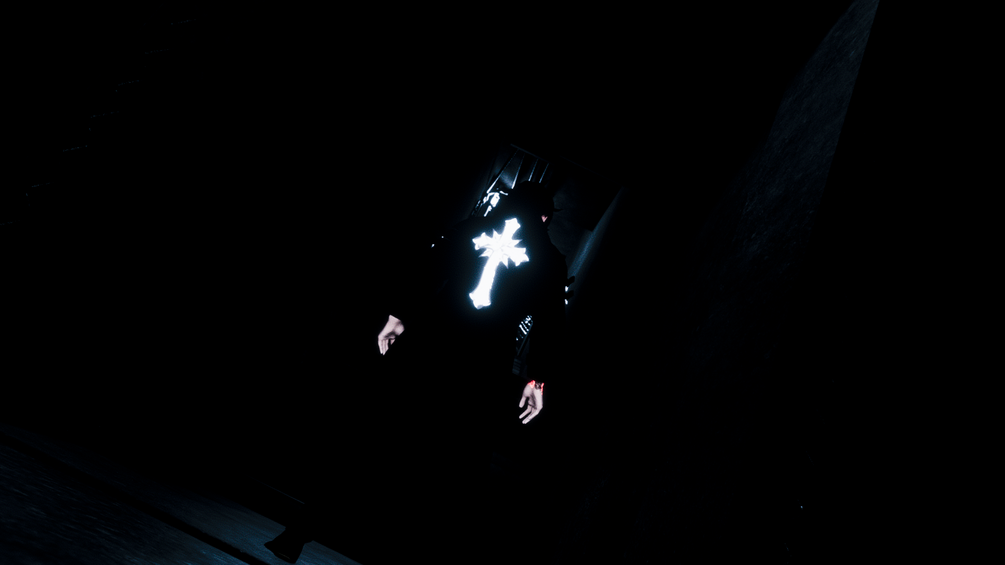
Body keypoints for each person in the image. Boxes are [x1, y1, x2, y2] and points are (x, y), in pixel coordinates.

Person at [265, 181, 567, 564]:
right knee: (445, 466)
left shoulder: (477, 229)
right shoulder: (545, 259)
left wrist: (398, 316)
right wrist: (537, 378)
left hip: (436, 344)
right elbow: (549, 324)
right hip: (476, 363)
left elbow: (426, 270)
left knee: (374, 438)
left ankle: (300, 531)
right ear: (544, 217)